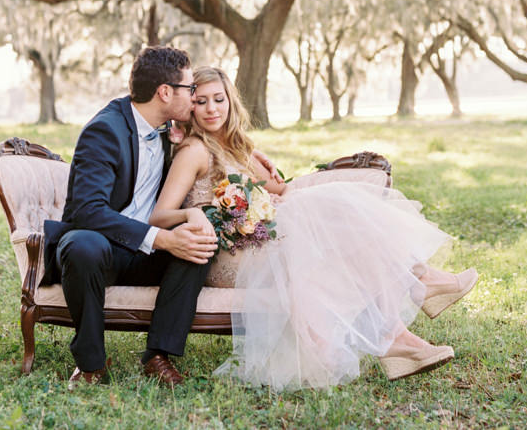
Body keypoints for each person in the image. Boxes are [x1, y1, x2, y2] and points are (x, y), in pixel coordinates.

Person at [150, 66, 479, 390]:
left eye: (218, 99)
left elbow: (280, 191)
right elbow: (160, 215)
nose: (211, 109)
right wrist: (196, 215)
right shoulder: (193, 151)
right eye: (202, 101)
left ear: (230, 102)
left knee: (334, 229)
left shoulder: (233, 146)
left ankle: (400, 335)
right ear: (189, 107)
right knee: (323, 221)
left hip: (255, 239)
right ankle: (416, 291)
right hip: (226, 254)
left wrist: (257, 161)